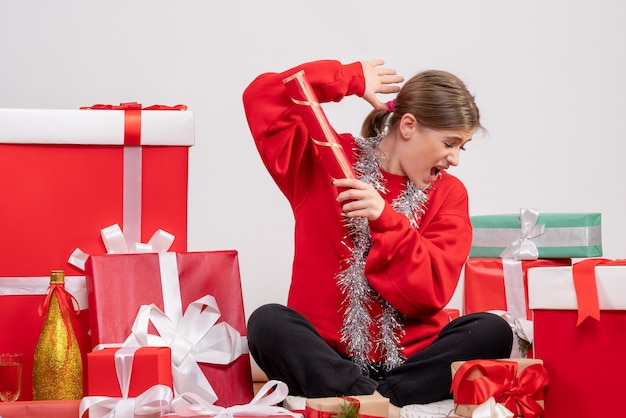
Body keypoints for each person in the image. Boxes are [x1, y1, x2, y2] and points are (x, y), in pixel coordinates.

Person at [242, 59, 513, 415]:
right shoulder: (323, 158)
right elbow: (262, 96)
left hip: (412, 364)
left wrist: (384, 218)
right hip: (329, 357)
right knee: (267, 323)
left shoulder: (450, 194)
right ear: (408, 126)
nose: (455, 160)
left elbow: (430, 292)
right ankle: (380, 401)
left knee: (493, 330)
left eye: (462, 147)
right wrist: (349, 79)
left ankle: (369, 402)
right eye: (450, 143)